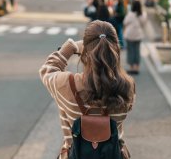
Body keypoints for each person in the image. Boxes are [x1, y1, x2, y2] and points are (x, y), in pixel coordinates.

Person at [39, 20, 135, 159]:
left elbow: (47, 70)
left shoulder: (67, 84)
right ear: (115, 50)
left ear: (85, 52)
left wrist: (70, 47)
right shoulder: (128, 87)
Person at [123, 0, 147, 75]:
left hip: (129, 35)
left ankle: (132, 68)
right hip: (138, 35)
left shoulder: (130, 14)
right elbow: (144, 23)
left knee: (130, 51)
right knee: (137, 51)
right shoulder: (142, 14)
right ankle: (137, 68)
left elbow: (125, 22)